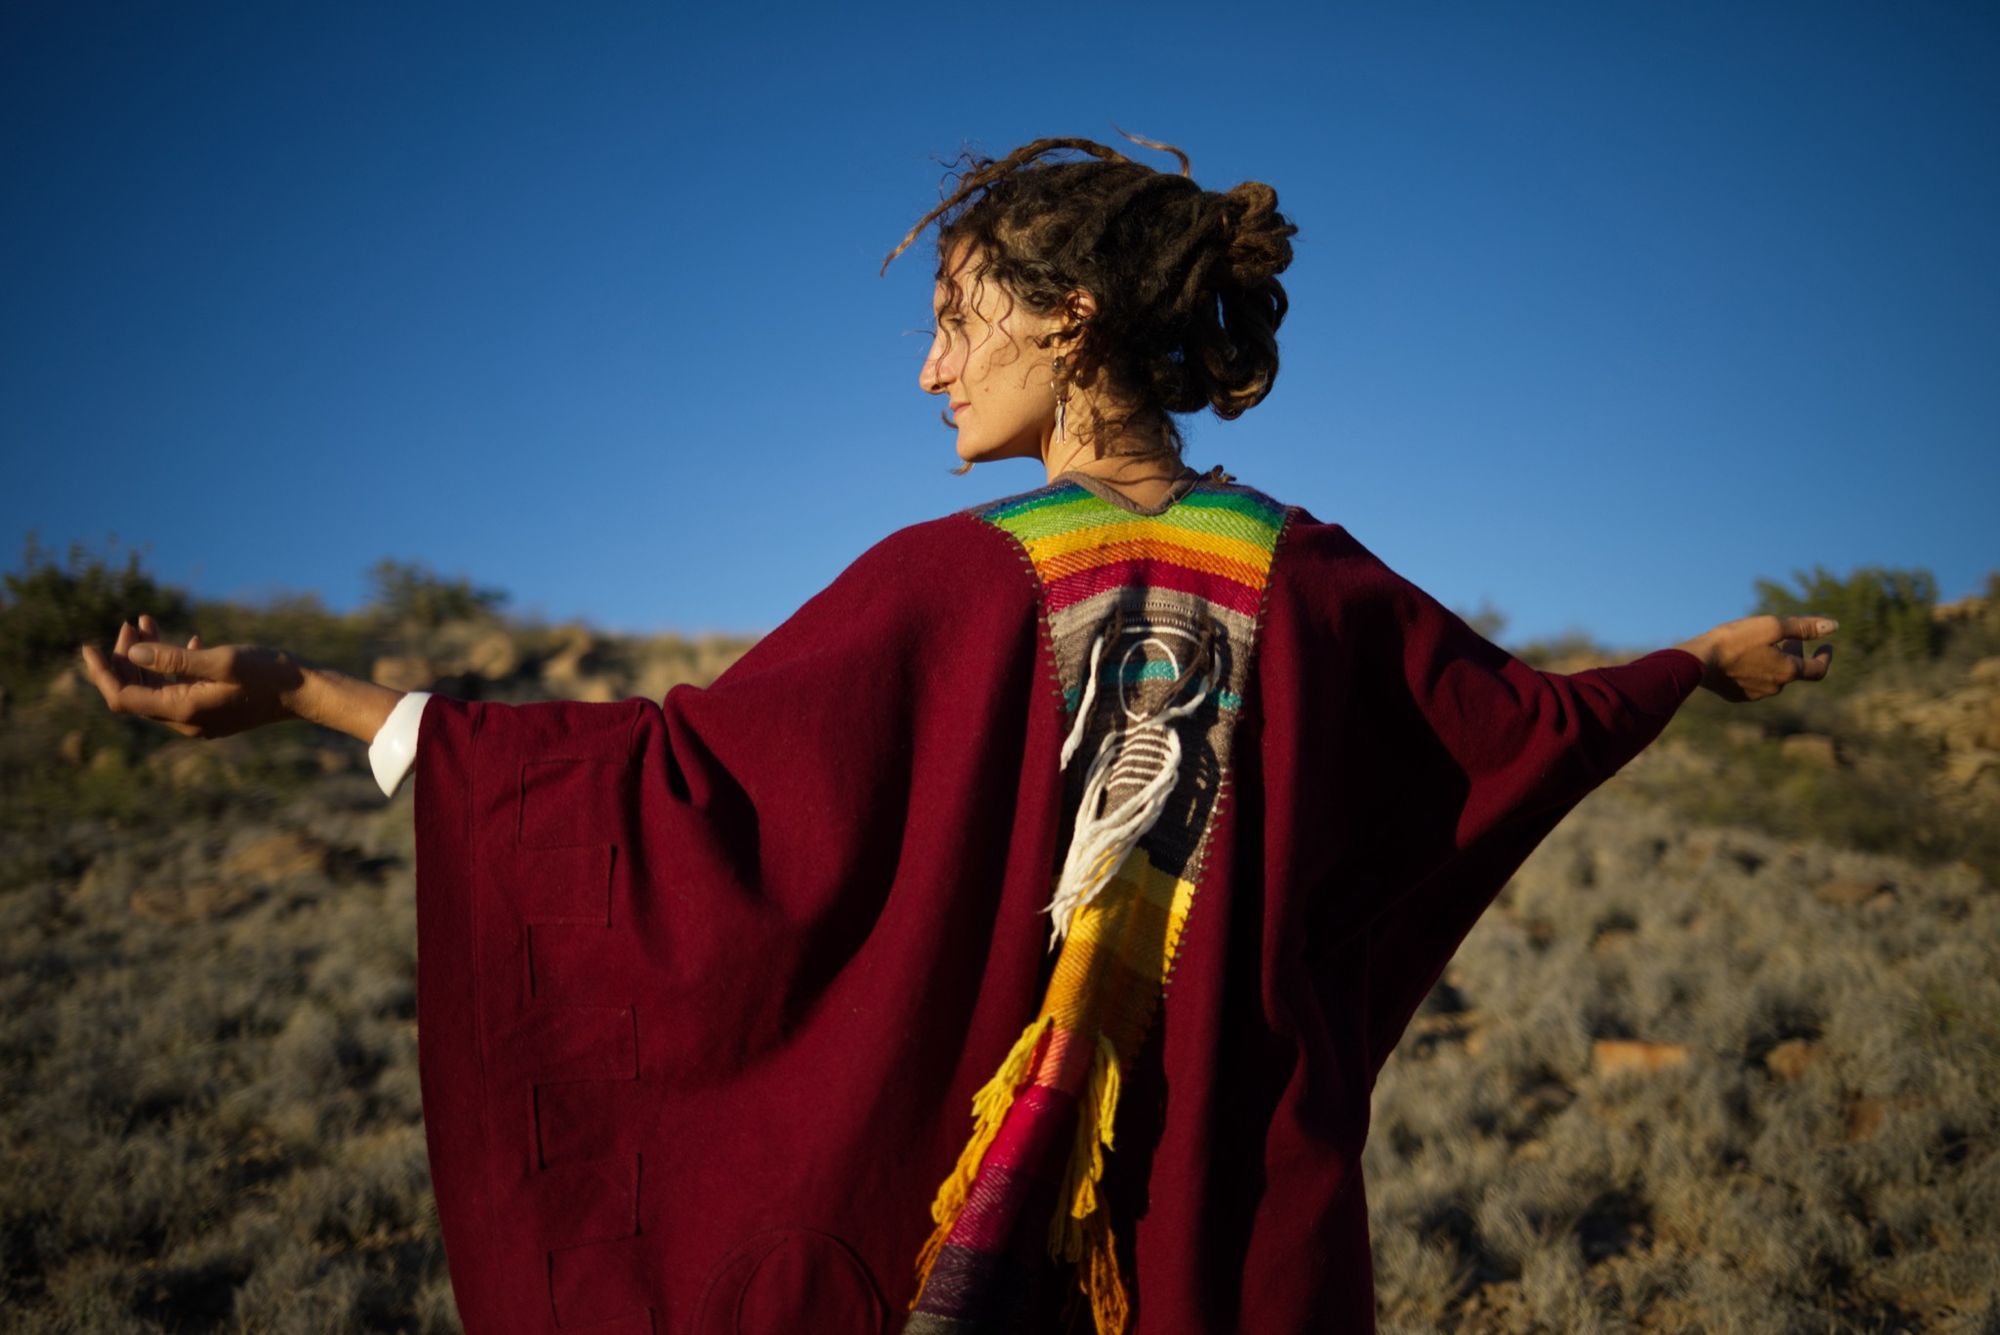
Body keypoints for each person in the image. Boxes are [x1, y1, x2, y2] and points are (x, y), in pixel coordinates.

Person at [80, 133, 1835, 1335]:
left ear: (1068, 321)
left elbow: (667, 800)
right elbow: (1516, 730)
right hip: (1220, 1234)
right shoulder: (1314, 582)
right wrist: (1695, 662)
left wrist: (318, 693)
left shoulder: (958, 585)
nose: (931, 371)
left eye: (953, 318)